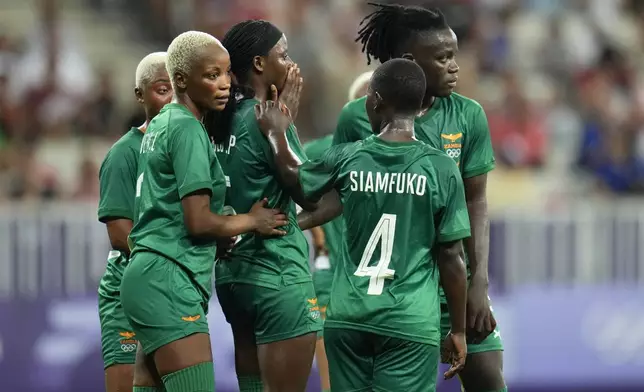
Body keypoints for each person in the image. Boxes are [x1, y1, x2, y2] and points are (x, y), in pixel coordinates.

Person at [256, 58, 469, 392]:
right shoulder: (441, 169)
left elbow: (296, 179)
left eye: (368, 96)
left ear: (378, 102)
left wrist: (276, 134)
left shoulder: (349, 158)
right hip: (408, 321)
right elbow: (452, 257)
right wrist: (458, 329)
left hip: (348, 316)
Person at [333, 4, 506, 391]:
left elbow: (477, 202)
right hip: (394, 289)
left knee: (490, 383)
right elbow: (341, 201)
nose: (454, 66)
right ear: (410, 60)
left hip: (453, 282)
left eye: (454, 55)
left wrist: (479, 284)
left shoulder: (467, 115)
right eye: (443, 58)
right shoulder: (356, 119)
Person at [119, 31, 288, 392]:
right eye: (212, 76)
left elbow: (173, 210)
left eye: (227, 73)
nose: (225, 84)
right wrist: (251, 221)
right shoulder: (187, 130)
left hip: (147, 275)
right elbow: (197, 221)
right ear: (180, 79)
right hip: (169, 279)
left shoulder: (163, 122)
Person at [208, 20, 322, 392]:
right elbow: (310, 192)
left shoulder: (214, 122)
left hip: (232, 278)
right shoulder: (268, 121)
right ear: (259, 63)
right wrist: (284, 126)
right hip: (279, 276)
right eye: (283, 55)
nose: (290, 64)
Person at [97, 51, 172, 392]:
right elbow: (118, 232)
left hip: (172, 290)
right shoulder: (124, 153)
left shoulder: (189, 144)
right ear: (139, 95)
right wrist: (168, 261)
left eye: (175, 88)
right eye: (161, 89)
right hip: (128, 288)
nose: (170, 98)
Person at [302, 69, 373, 392]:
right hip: (332, 282)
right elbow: (288, 190)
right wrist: (316, 234)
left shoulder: (403, 157)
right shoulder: (320, 153)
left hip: (379, 284)